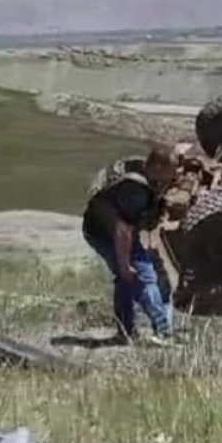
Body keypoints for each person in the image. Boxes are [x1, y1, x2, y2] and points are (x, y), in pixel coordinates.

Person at [82, 146, 177, 344]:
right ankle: (163, 332)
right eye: (171, 169)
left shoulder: (140, 169)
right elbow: (122, 230)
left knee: (125, 280)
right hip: (107, 233)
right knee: (145, 276)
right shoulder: (136, 190)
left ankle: (125, 332)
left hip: (97, 228)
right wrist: (125, 264)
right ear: (158, 166)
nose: (174, 174)